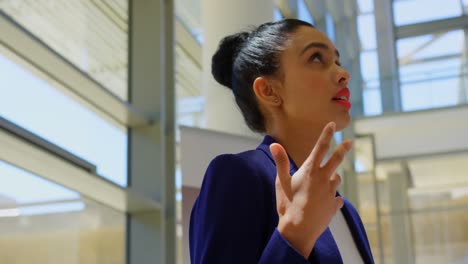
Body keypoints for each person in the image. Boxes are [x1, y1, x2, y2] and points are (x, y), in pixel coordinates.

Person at [189, 18, 374, 264]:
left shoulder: (344, 209)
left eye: (337, 61)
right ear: (269, 91)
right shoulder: (239, 175)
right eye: (317, 58)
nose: (343, 74)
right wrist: (294, 235)